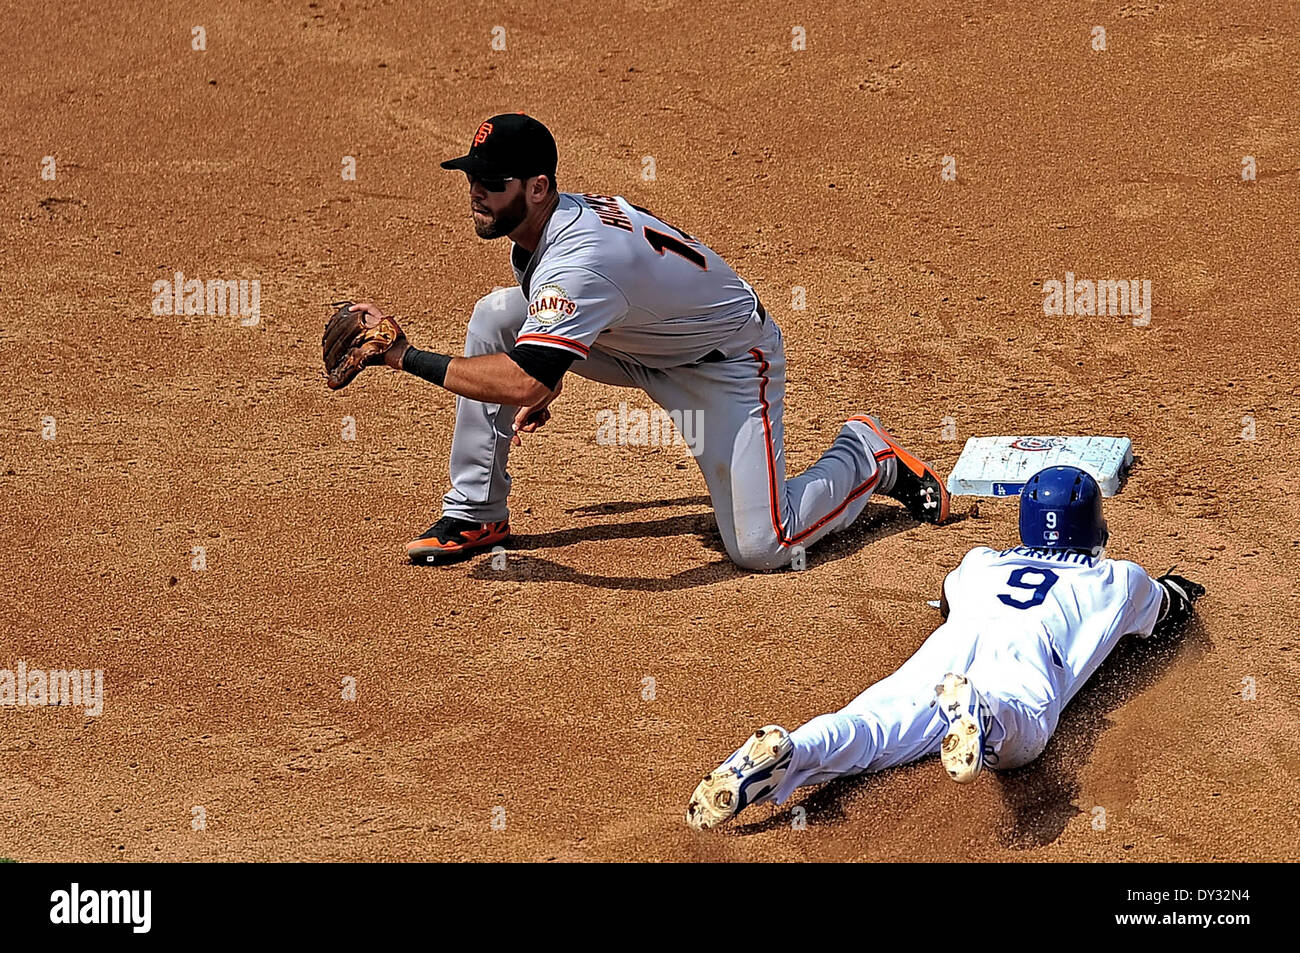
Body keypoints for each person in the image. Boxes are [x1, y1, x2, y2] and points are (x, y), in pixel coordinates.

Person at [342, 113, 949, 569]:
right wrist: (550, 375)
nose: (476, 192)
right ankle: (475, 514)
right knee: (496, 317)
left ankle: (869, 455)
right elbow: (563, 329)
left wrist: (401, 355)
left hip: (727, 362)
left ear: (537, 186)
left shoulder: (579, 258)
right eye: (471, 177)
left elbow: (525, 376)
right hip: (635, 338)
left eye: (491, 181)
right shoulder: (539, 228)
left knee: (765, 545)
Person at [685, 465, 1206, 829]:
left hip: (954, 642)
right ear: (1094, 526)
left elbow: (946, 598)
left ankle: (796, 747)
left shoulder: (979, 562)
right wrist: (1183, 590)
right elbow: (1168, 611)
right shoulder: (1117, 579)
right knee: (1024, 729)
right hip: (1025, 651)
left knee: (873, 725)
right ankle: (980, 714)